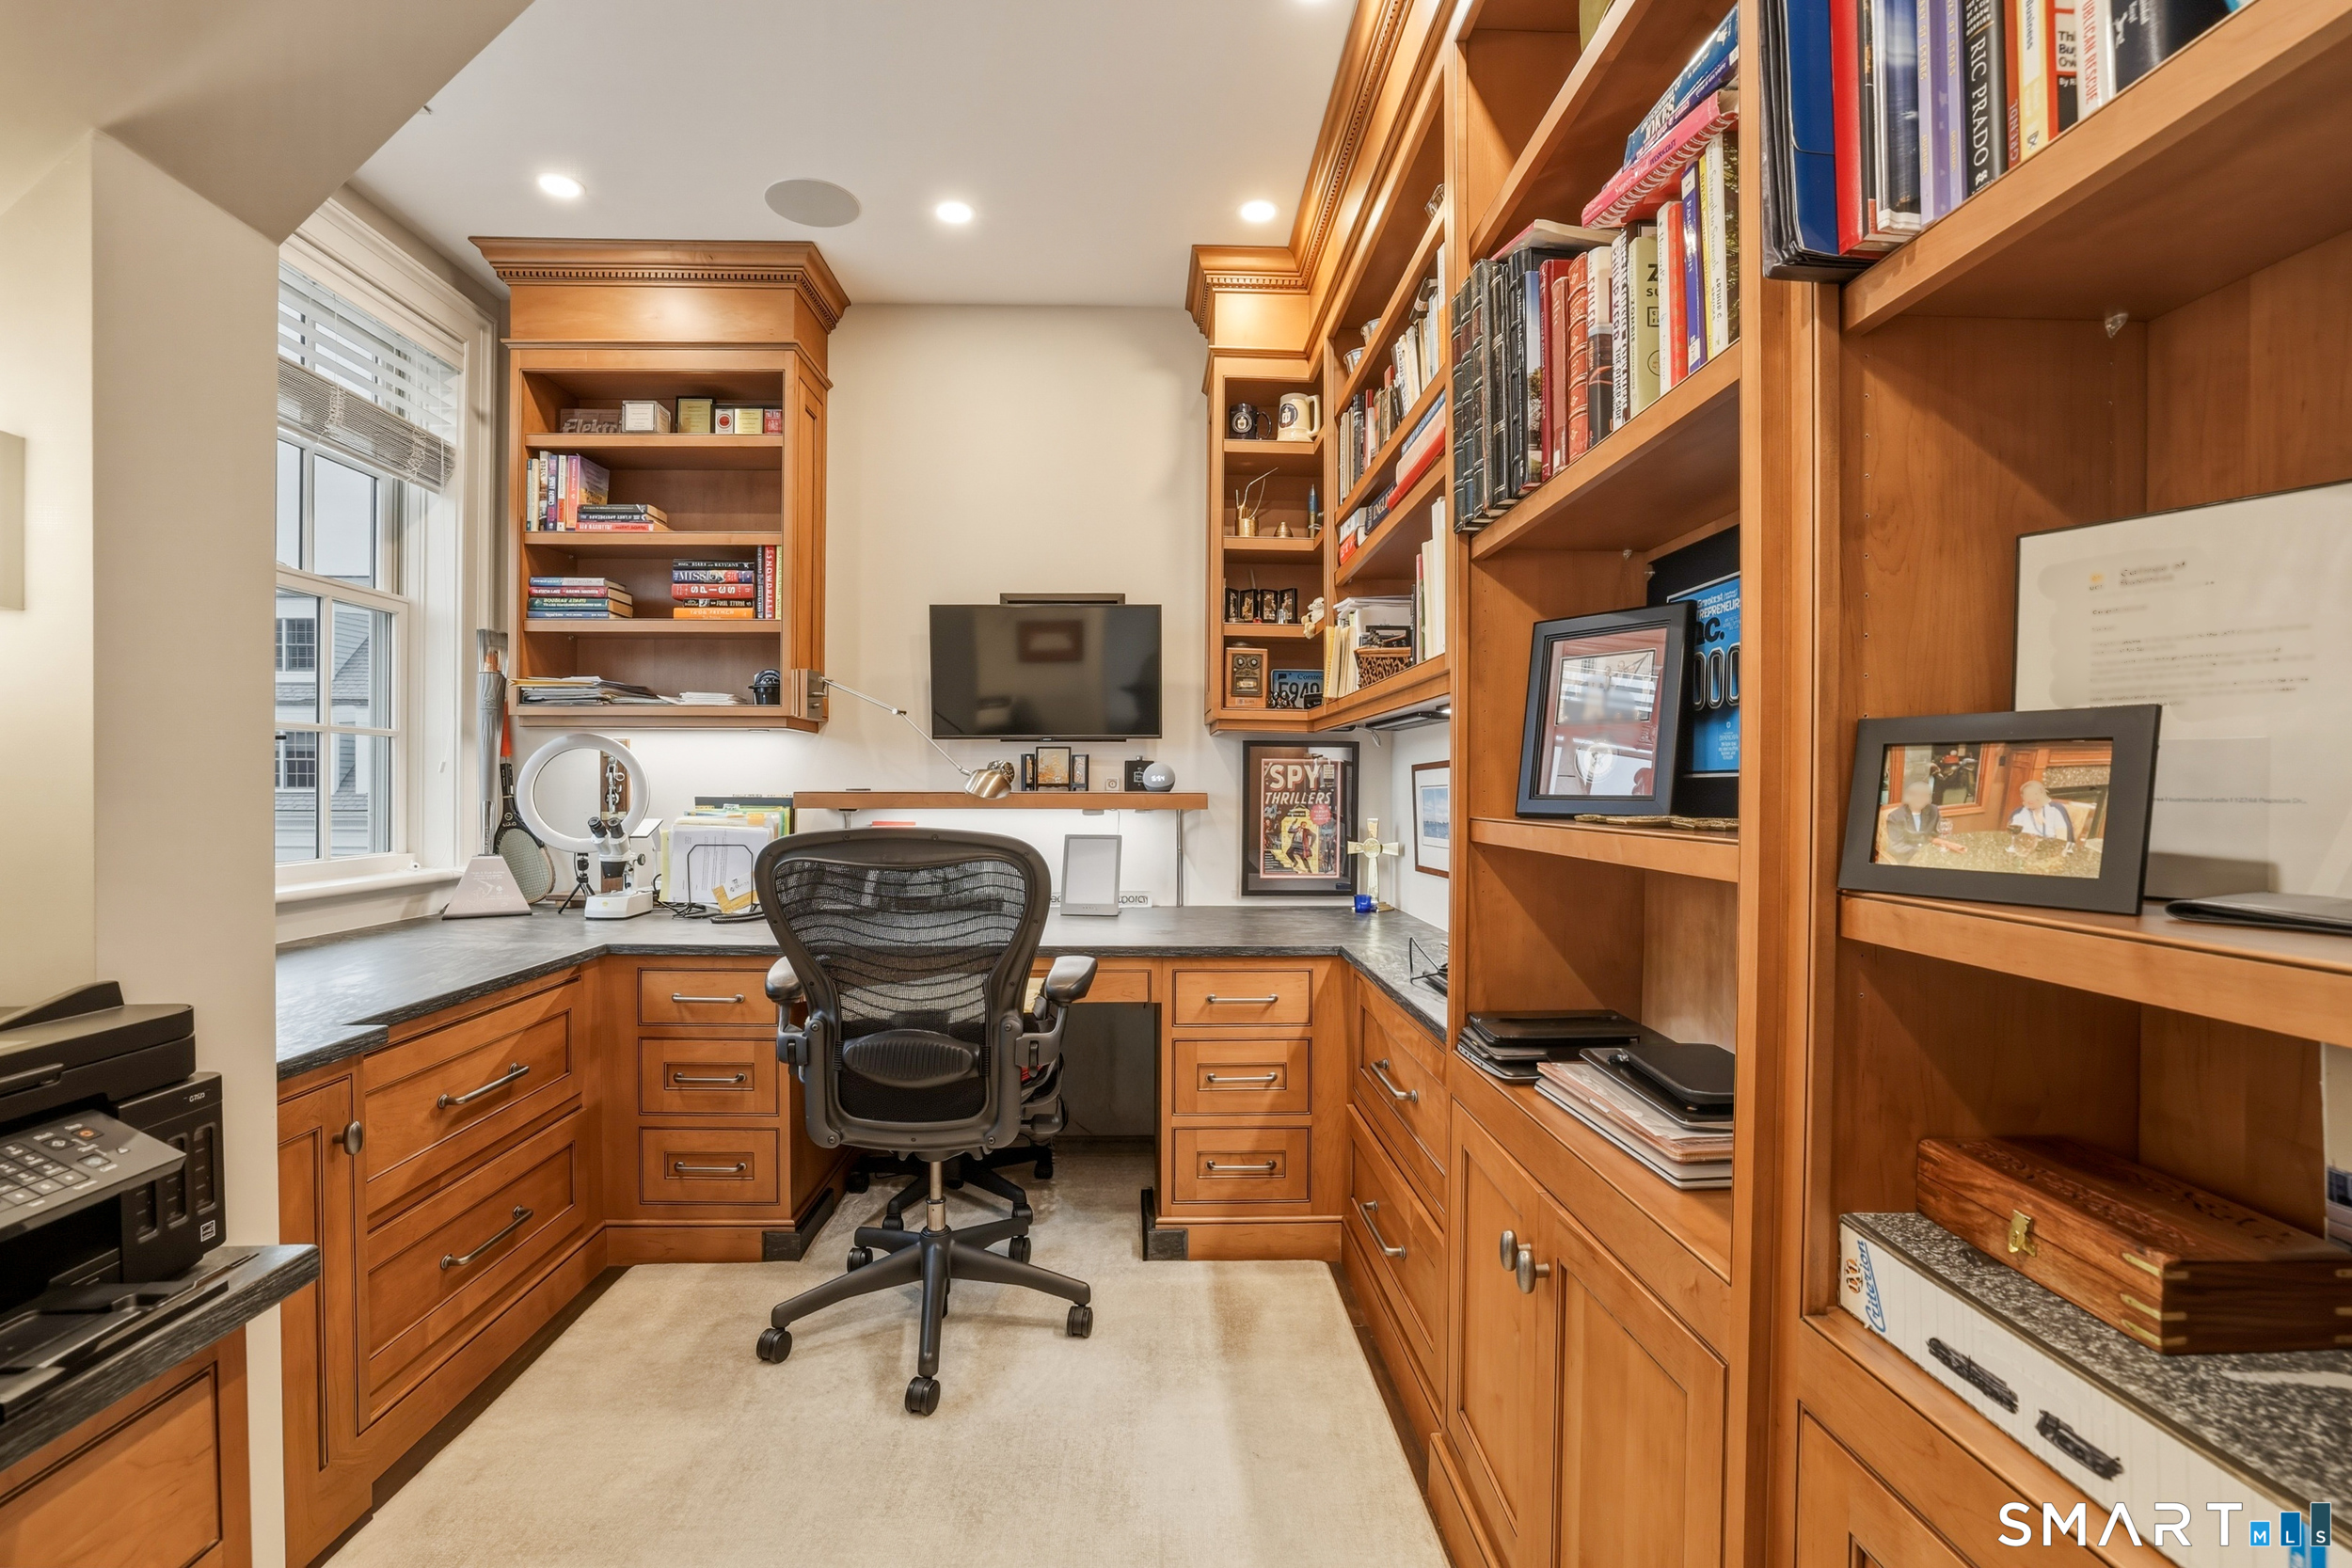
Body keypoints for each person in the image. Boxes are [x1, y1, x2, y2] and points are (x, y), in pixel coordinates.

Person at [1880, 780, 1964, 862]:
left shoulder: (1933, 810)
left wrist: (1948, 844)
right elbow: (1896, 847)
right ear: (1907, 797)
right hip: (1908, 858)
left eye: (1925, 795)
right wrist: (1922, 852)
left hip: (1930, 855)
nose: (1920, 798)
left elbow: (1934, 834)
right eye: (1915, 795)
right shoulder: (1896, 817)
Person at [2008, 780, 2077, 856]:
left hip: (2052, 853)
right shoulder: (2019, 813)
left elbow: (2062, 841)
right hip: (2028, 854)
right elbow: (2013, 838)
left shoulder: (2055, 812)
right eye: (2027, 795)